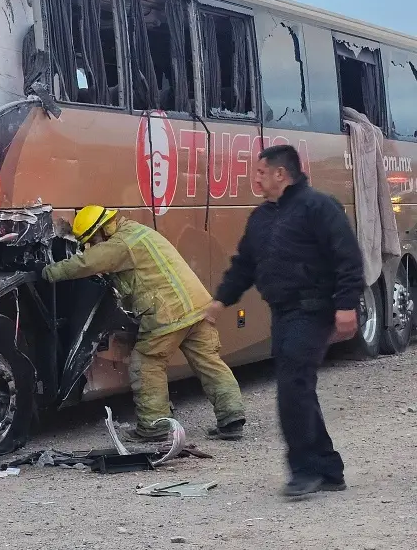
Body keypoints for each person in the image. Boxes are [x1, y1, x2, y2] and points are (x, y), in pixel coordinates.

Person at [205, 144, 363, 497]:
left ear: (281, 174)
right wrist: (221, 300)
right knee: (299, 386)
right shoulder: (261, 217)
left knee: (292, 387)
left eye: (261, 172)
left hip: (314, 309)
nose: (255, 179)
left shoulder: (318, 207)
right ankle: (328, 468)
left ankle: (304, 469)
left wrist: (346, 305)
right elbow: (244, 264)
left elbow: (348, 258)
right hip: (283, 311)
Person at [42, 206, 246, 442]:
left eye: (91, 240)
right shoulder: (138, 232)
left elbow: (84, 264)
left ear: (102, 230)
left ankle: (153, 427)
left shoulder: (119, 244)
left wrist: (46, 272)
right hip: (197, 307)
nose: (91, 246)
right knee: (209, 363)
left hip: (168, 313)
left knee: (147, 364)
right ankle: (231, 418)